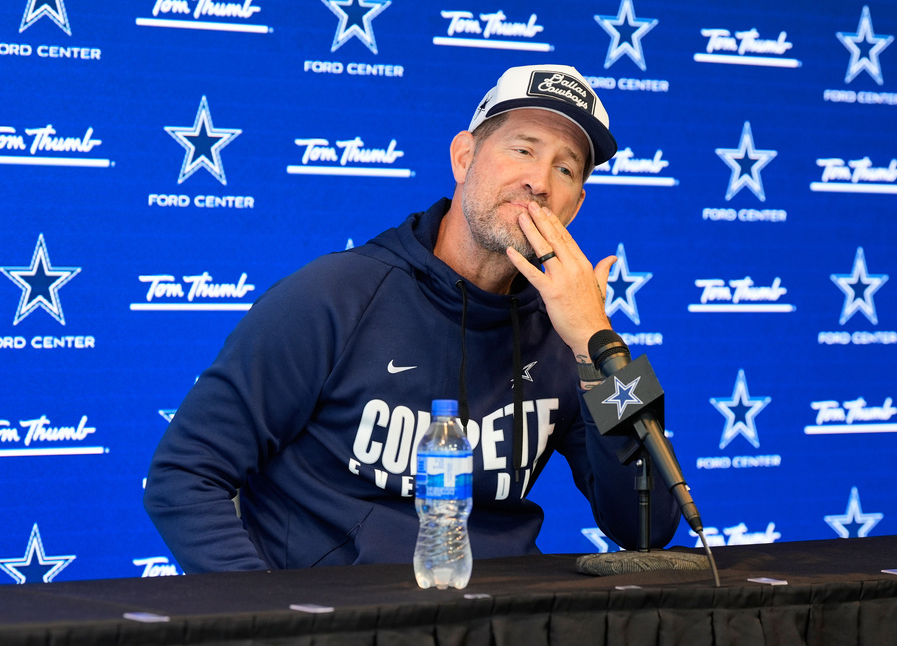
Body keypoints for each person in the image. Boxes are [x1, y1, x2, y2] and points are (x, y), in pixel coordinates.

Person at [143, 64, 681, 573]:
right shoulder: (332, 296)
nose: (539, 181)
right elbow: (183, 474)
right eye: (522, 149)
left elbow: (647, 527)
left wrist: (597, 347)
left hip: (505, 621)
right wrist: (270, 620)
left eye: (564, 168)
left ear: (576, 204)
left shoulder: (568, 329)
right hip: (345, 628)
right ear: (464, 157)